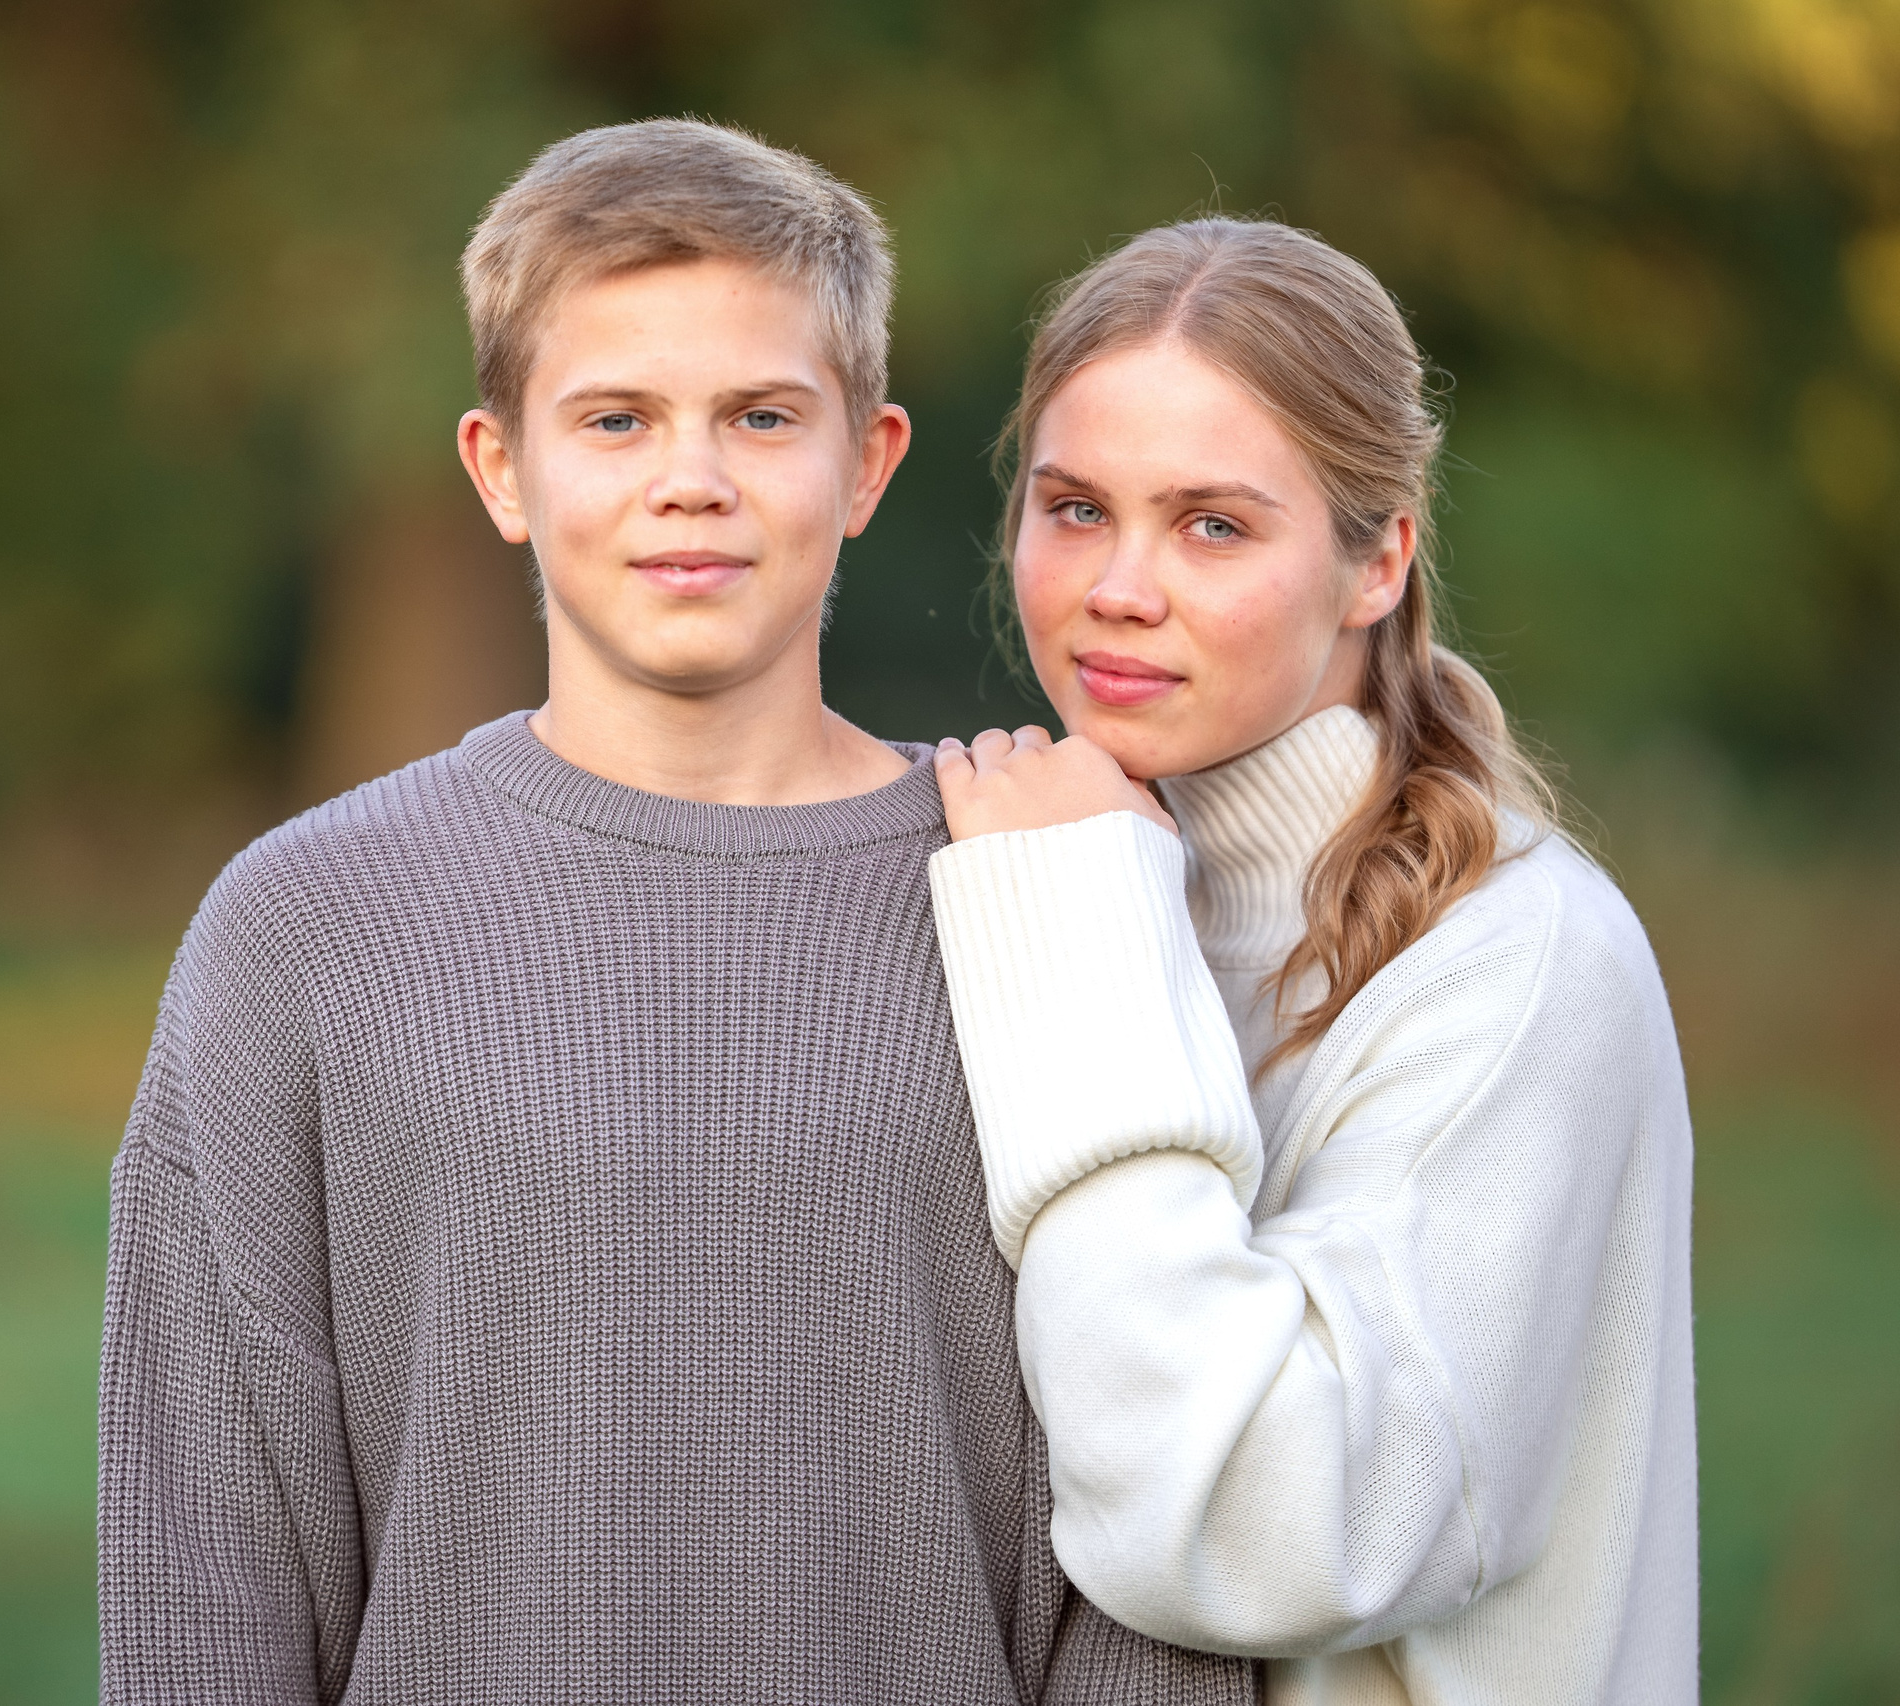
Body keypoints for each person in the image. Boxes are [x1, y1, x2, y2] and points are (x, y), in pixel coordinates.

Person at [96, 120, 1253, 1704]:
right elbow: (204, 1560)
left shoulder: (1048, 882)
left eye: (762, 415)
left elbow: (1151, 1525)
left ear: (869, 462)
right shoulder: (304, 928)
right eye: (617, 417)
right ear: (503, 469)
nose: (690, 481)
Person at [924, 218, 1697, 1704]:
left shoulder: (1515, 960)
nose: (1119, 586)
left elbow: (1270, 1529)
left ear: (1376, 558)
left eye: (1214, 524)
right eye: (1075, 507)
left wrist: (1084, 936)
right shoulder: (1028, 870)